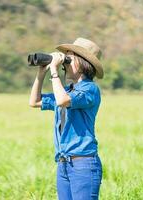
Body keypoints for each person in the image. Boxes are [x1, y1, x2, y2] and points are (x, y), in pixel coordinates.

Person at [29, 38, 104, 200]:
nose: (65, 62)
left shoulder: (90, 89)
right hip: (63, 163)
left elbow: (63, 101)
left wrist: (54, 72)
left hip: (83, 164)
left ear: (83, 63)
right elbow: (34, 102)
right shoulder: (66, 91)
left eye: (69, 58)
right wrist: (41, 73)